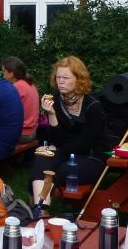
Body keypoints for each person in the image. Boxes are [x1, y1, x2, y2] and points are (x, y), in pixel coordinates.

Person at [30, 56, 105, 202]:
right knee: (42, 160)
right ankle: (42, 210)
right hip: (65, 152)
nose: (60, 81)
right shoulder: (55, 102)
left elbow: (84, 144)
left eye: (65, 77)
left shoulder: (93, 106)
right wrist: (52, 114)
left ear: (79, 79)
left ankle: (39, 205)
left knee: (59, 170)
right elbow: (57, 139)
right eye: (58, 77)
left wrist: (56, 149)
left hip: (90, 157)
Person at [2, 56, 39, 142]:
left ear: (11, 74)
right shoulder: (30, 84)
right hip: (33, 132)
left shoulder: (16, 87)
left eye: (4, 71)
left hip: (21, 134)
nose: (2, 75)